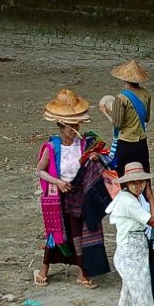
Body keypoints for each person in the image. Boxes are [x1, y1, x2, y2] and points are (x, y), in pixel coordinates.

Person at [36, 89, 110, 289]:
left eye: (76, 124)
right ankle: (44, 269)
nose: (73, 128)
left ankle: (82, 272)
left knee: (81, 234)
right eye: (70, 125)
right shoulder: (52, 147)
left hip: (80, 196)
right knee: (56, 233)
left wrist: (95, 158)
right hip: (60, 196)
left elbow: (103, 161)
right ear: (61, 125)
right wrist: (58, 182)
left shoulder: (85, 144)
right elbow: (40, 171)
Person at [107, 162, 154, 306]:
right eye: (135, 183)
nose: (138, 186)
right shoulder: (130, 201)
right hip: (131, 253)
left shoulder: (126, 197)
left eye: (141, 183)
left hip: (130, 251)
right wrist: (151, 197)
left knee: (129, 295)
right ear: (127, 184)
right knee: (142, 296)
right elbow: (153, 221)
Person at [101, 59, 154, 226]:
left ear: (124, 79)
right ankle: (146, 205)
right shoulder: (146, 94)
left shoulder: (121, 98)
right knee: (143, 173)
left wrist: (106, 113)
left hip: (125, 143)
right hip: (141, 142)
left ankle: (120, 205)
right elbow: (146, 118)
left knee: (117, 174)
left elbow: (118, 123)